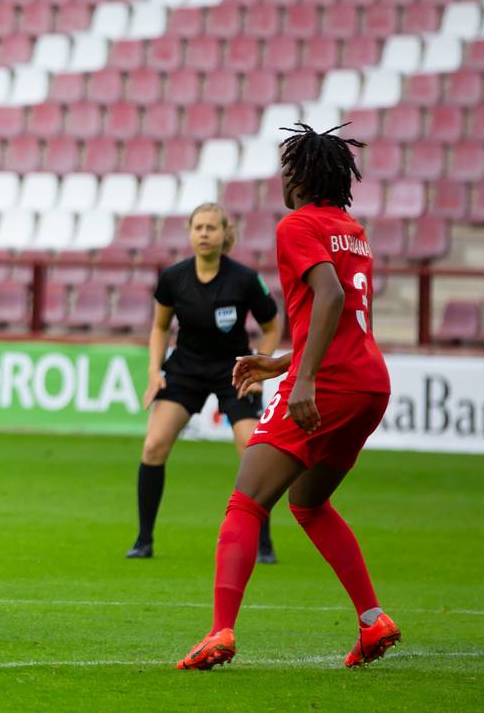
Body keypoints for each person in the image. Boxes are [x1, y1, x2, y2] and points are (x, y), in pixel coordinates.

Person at [178, 124, 397, 670]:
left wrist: (301, 381)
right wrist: (280, 363)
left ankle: (220, 632)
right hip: (369, 383)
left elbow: (329, 294)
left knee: (246, 501)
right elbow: (345, 315)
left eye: (285, 170)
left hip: (329, 384)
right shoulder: (352, 228)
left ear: (298, 177)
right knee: (309, 503)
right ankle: (373, 621)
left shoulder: (297, 225)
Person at [130, 203, 281, 562]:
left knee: (251, 450)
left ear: (224, 233)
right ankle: (143, 540)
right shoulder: (174, 278)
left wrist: (262, 366)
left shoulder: (244, 279)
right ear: (189, 232)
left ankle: (263, 542)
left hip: (234, 371)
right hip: (186, 368)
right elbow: (160, 326)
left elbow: (273, 327)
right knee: (153, 445)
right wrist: (155, 370)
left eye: (211, 227)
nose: (204, 233)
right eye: (198, 227)